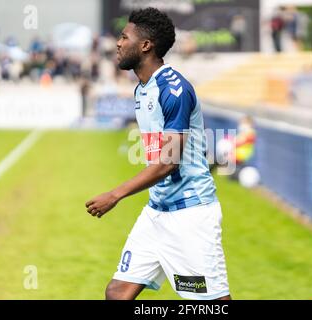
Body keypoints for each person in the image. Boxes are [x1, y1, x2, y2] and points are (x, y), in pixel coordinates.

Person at [85, 7, 231, 300]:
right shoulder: (143, 88)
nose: (117, 43)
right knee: (117, 293)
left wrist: (114, 195)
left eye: (124, 37)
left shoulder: (174, 89)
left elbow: (167, 164)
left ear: (145, 45)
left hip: (190, 215)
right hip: (157, 213)